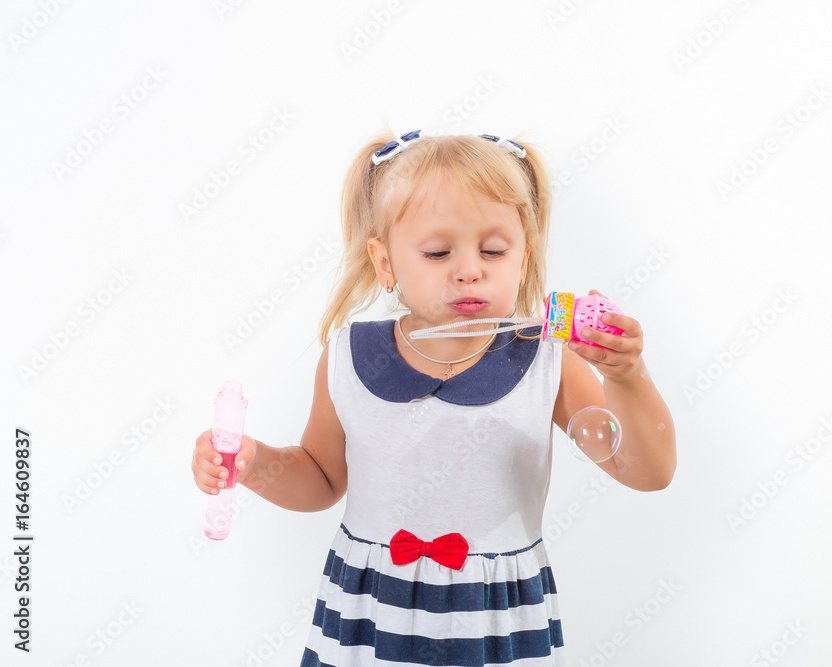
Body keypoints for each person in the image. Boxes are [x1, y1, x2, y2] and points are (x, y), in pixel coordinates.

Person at [191, 127, 677, 666]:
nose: (469, 269)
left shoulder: (546, 360)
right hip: (371, 616)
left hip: (493, 618)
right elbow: (322, 478)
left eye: (494, 249)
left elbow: (648, 472)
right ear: (385, 263)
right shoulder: (351, 356)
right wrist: (255, 464)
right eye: (438, 251)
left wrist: (628, 378)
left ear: (524, 257)